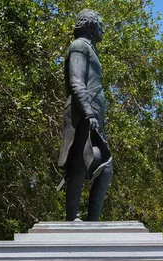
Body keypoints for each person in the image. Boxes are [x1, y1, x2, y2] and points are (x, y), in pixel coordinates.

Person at [58, 9, 112, 221]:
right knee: (83, 165)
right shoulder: (79, 46)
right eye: (100, 24)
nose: (102, 29)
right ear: (90, 25)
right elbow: (76, 82)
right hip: (83, 113)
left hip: (93, 115)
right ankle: (73, 219)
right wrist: (88, 113)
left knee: (102, 168)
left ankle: (91, 224)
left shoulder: (89, 48)